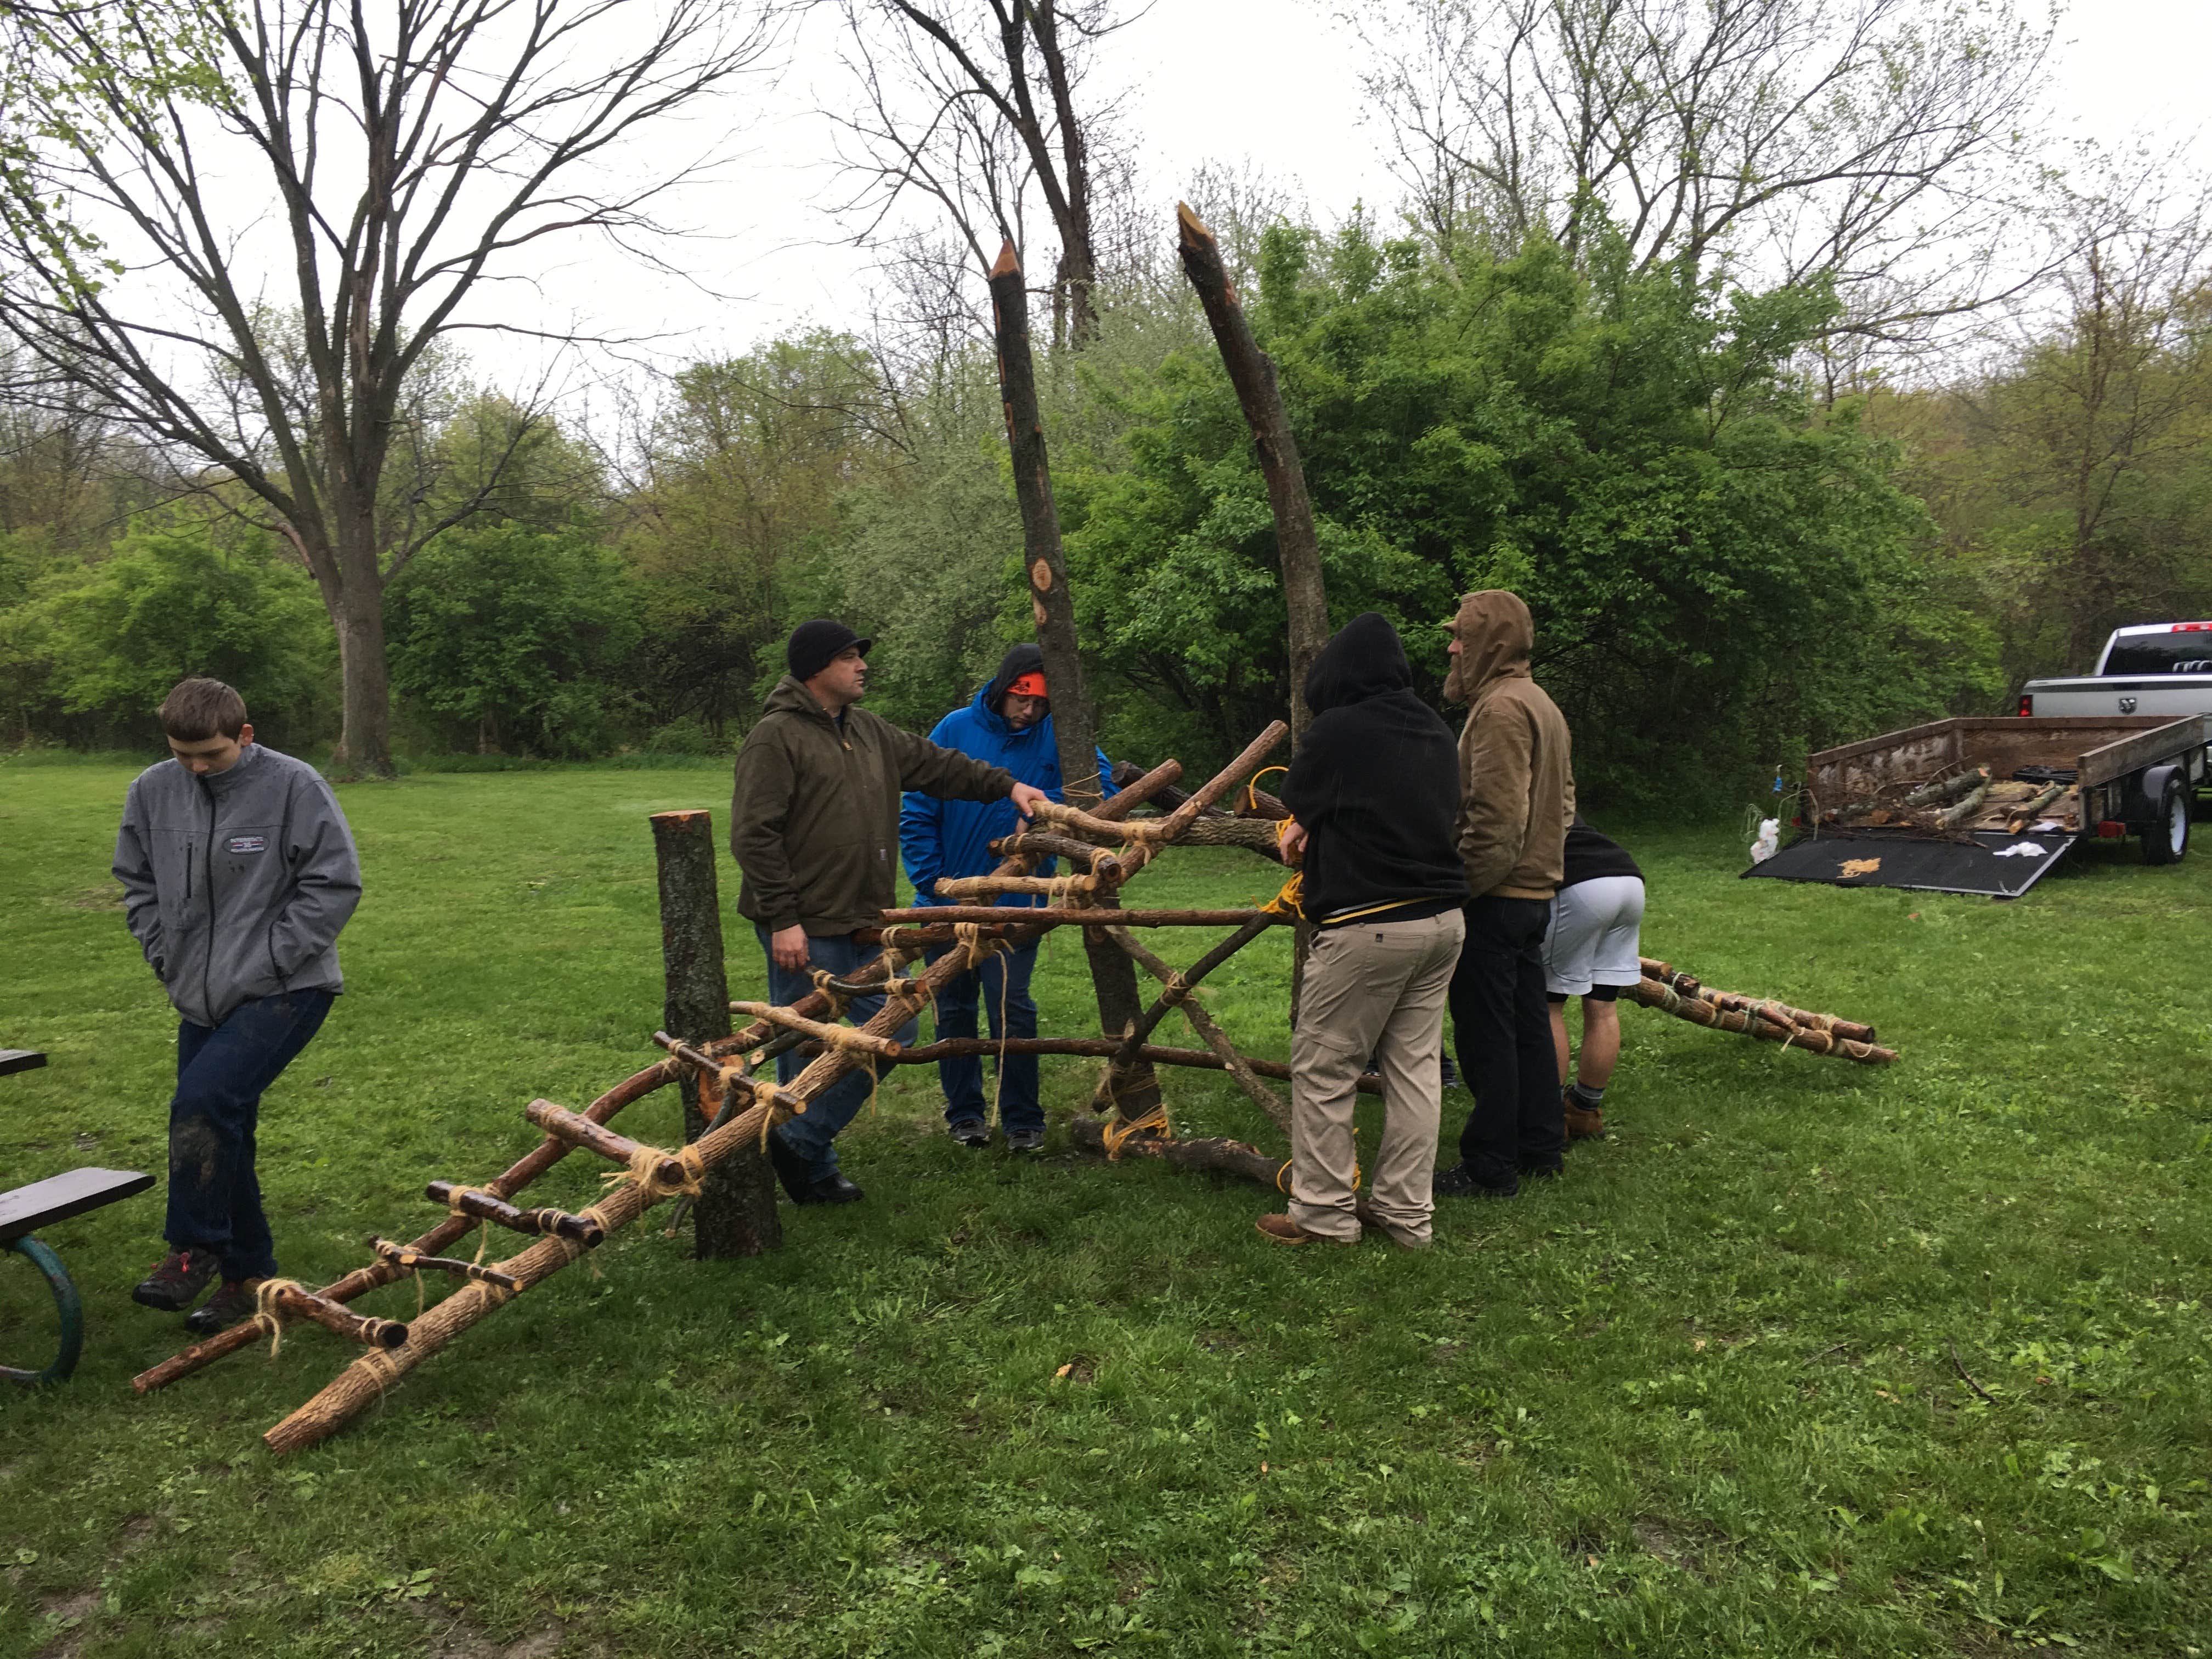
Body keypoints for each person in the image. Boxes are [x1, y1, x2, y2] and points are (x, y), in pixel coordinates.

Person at [731, 620, 1051, 1204]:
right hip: (805, 923)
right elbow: (754, 836)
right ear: (816, 669)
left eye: (859, 657)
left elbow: (940, 766)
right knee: (809, 1043)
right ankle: (812, 1162)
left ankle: (798, 1140)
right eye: (850, 657)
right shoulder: (775, 738)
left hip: (862, 918)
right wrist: (782, 918)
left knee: (894, 1027)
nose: (862, 666)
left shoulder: (870, 731)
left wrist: (1010, 788)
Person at [112, 678, 363, 1334]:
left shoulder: (295, 786)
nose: (195, 767)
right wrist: (164, 954)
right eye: (182, 754)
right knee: (227, 1128)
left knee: (202, 1103)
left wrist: (274, 961)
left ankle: (192, 1246)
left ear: (244, 736)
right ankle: (249, 1279)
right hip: (198, 993)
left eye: (211, 755)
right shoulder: (151, 790)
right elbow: (135, 881)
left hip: (288, 989)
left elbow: (333, 882)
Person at [1259, 613, 1467, 1249]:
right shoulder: (1433, 726)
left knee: (1325, 1069)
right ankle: (1408, 1216)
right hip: (1443, 922)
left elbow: (1303, 797)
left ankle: (1322, 1215)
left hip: (1368, 925)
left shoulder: (1339, 729)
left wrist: (1302, 821)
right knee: (1414, 1071)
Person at [900, 644, 1110, 1152]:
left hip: (1020, 902)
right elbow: (918, 809)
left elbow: (1096, 787)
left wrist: (1044, 812)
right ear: (1004, 688)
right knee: (952, 1009)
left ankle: (1022, 1120)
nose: (1030, 711)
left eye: (1040, 704)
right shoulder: (954, 730)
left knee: (1012, 1006)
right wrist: (933, 883)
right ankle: (965, 1115)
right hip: (947, 900)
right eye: (1022, 699)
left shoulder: (1058, 738)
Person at [1433, 590, 1576, 1200]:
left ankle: (1491, 1164)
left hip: (1496, 896)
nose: (1452, 647)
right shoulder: (1540, 702)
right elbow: (1565, 804)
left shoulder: (1500, 708)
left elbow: (1494, 817)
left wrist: (1458, 891)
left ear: (1490, 641)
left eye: (1462, 636)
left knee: (1487, 1035)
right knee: (1526, 1026)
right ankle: (1541, 1144)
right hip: (1533, 893)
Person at [1544, 817, 1645, 1141]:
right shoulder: (1559, 791)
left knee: (1548, 1004)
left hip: (1583, 885)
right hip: (1630, 882)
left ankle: (1548, 1120)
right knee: (1603, 1008)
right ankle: (1584, 1112)